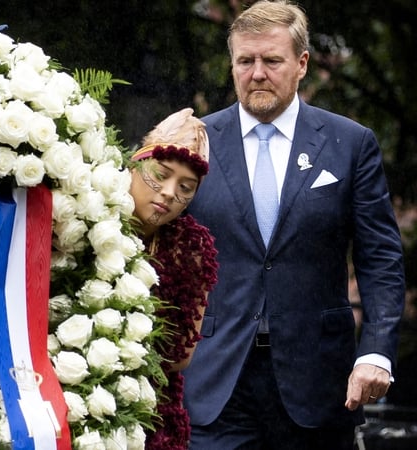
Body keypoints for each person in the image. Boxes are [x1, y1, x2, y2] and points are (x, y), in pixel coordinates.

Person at [181, 1, 405, 448]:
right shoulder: (194, 140)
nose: (257, 73)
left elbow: (380, 259)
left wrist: (376, 352)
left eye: (271, 60)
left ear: (301, 64)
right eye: (245, 61)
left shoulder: (350, 144)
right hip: (216, 382)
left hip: (320, 387)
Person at [127, 107, 218, 449]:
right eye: (160, 175)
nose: (168, 192)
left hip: (149, 404)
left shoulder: (191, 247)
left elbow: (181, 354)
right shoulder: (88, 208)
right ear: (136, 163)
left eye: (185, 187)